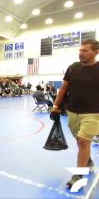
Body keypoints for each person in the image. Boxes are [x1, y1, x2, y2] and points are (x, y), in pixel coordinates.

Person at [51, 40, 99, 188]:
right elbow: (64, 89)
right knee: (79, 140)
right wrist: (55, 106)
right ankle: (88, 160)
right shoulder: (73, 68)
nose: (80, 53)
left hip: (93, 113)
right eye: (80, 50)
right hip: (72, 112)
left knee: (84, 141)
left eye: (85, 50)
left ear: (96, 52)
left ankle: (78, 175)